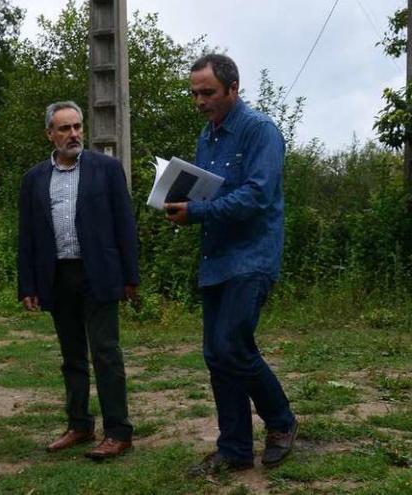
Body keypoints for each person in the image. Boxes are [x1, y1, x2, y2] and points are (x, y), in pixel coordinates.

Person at [165, 54, 298, 476]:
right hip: (217, 258)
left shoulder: (261, 131)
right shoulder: (209, 136)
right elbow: (211, 193)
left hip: (251, 256)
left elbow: (258, 196)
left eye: (208, 93)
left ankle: (281, 422)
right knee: (216, 354)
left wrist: (198, 212)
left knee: (233, 347)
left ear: (233, 89)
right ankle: (235, 449)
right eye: (195, 94)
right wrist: (179, 201)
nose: (200, 101)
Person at [17, 101, 139, 460]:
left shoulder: (107, 169)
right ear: (49, 134)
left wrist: (130, 276)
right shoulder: (35, 178)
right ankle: (79, 425)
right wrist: (28, 285)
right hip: (58, 275)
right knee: (72, 355)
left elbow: (125, 225)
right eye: (64, 129)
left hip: (99, 272)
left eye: (77, 127)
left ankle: (118, 431)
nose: (73, 134)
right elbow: (28, 236)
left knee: (105, 351)